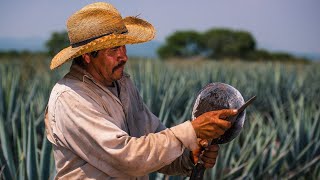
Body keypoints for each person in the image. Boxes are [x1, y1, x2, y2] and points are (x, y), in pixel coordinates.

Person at [45, 2, 237, 179]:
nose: (123, 56)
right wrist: (190, 131)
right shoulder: (70, 98)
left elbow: (152, 139)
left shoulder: (123, 84)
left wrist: (189, 156)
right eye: (112, 50)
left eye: (122, 46)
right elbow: (126, 158)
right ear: (87, 56)